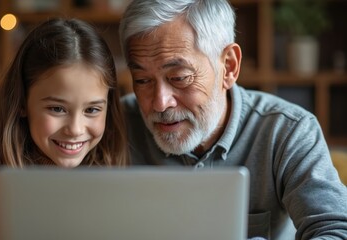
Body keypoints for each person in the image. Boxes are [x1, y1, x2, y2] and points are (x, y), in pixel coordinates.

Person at [119, 0, 347, 239]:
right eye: (143, 80)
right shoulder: (116, 126)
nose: (160, 103)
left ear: (228, 67)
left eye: (179, 77)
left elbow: (336, 230)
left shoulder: (287, 130)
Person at [0, 18, 128, 240]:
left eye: (92, 110)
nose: (75, 129)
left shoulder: (107, 161)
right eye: (57, 108)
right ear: (22, 101)